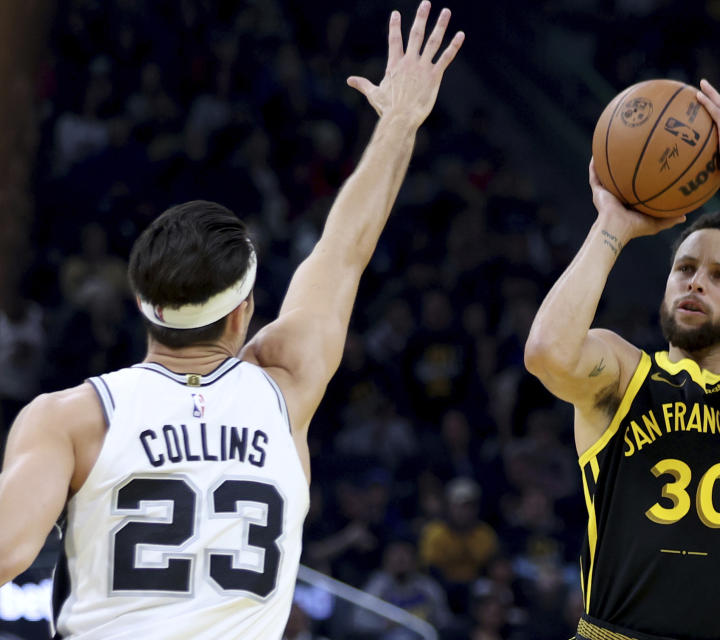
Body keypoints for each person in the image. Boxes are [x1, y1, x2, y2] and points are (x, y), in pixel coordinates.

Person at [0, 3, 463, 639]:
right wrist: (399, 124)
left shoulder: (71, 418)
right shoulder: (285, 385)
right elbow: (345, 251)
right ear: (244, 309)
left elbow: (6, 553)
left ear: (142, 303)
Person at [524, 79, 720, 640]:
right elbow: (546, 351)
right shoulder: (622, 373)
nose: (695, 283)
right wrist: (611, 227)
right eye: (684, 269)